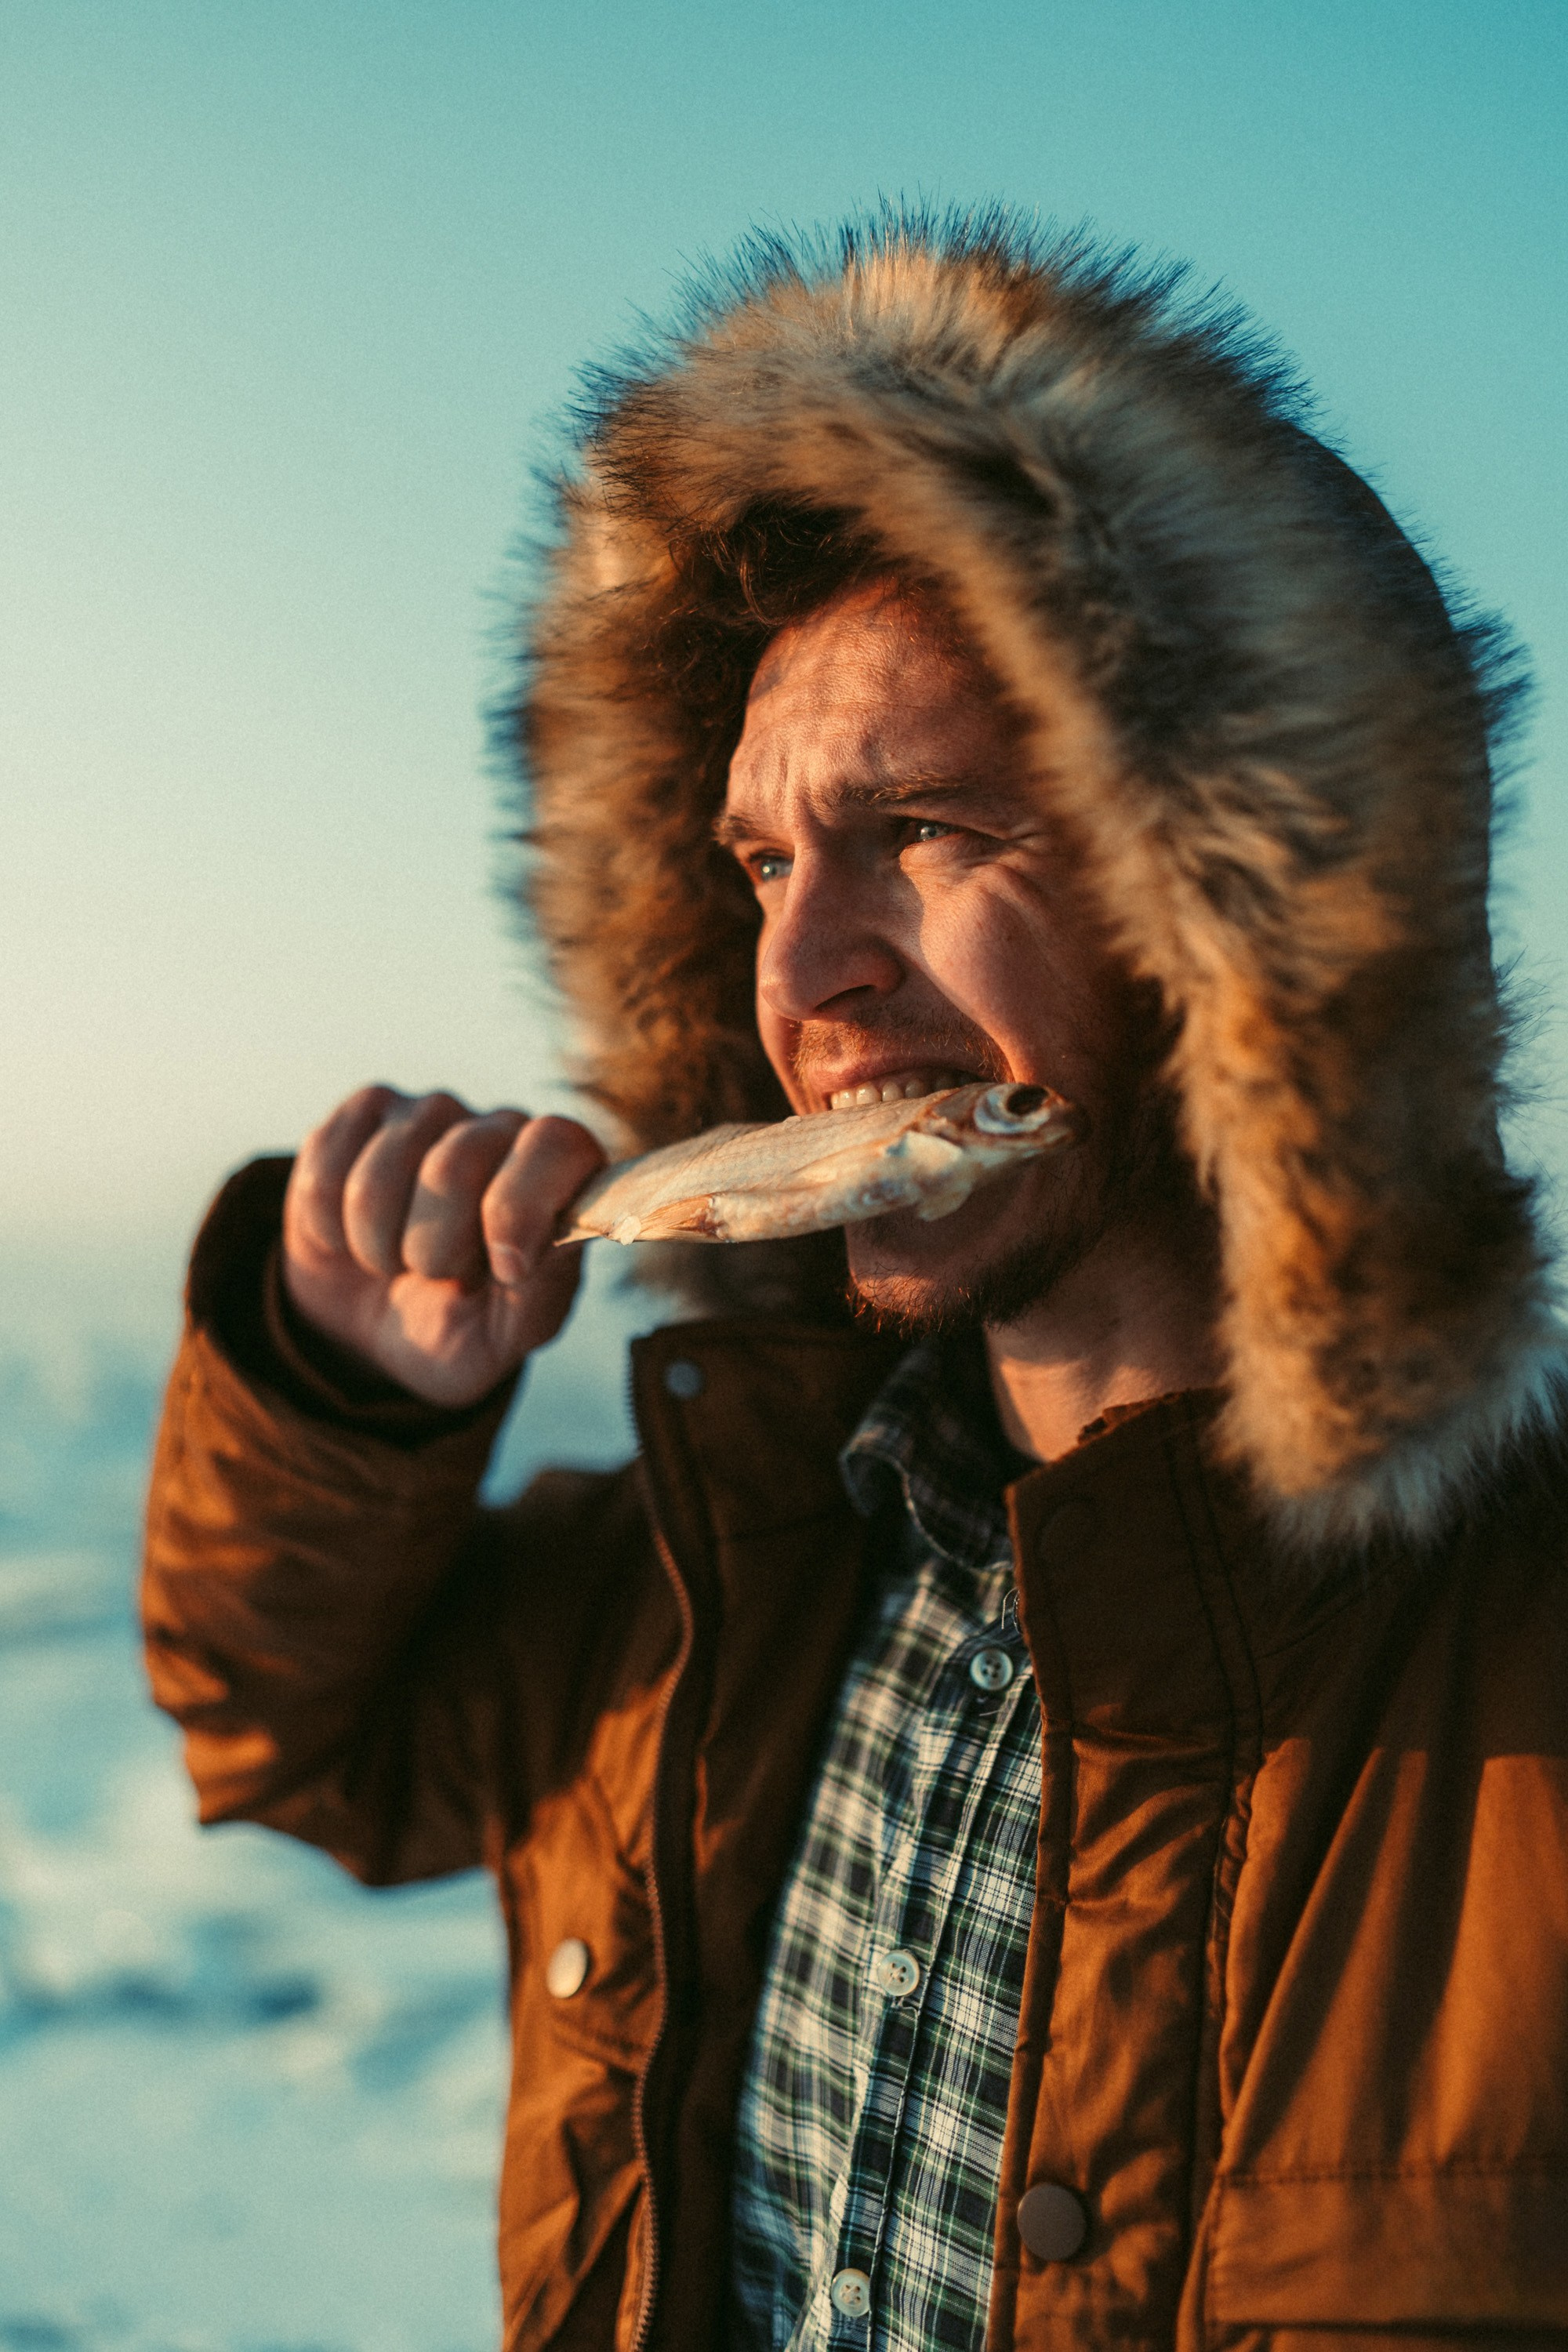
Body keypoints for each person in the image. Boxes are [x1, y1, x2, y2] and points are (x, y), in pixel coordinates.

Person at [142, 214, 1568, 2352]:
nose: (805, 977)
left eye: (925, 831)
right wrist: (350, 1402)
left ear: (1242, 914)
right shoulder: (720, 1567)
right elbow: (297, 1751)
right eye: (762, 865)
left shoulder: (1512, 1660)